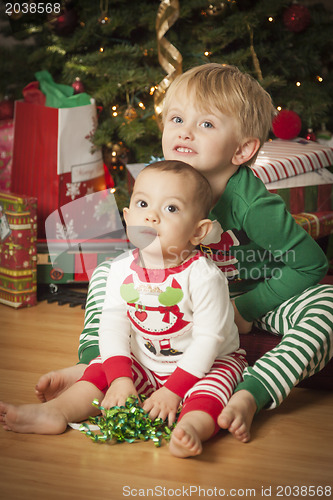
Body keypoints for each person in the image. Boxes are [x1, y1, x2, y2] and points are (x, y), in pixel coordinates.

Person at [36, 63, 333, 443]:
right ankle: (97, 365)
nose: (184, 131)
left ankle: (252, 392)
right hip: (184, 296)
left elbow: (310, 263)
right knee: (108, 273)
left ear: (242, 149)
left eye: (206, 124)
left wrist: (245, 310)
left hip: (250, 299)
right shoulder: (164, 180)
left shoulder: (252, 205)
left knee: (326, 304)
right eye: (176, 118)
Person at [0, 160, 247, 458]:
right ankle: (56, 412)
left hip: (207, 364)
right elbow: (114, 324)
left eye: (171, 209)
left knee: (213, 390)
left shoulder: (203, 275)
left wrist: (173, 390)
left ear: (198, 231)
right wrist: (120, 379)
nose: (151, 216)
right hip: (147, 359)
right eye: (143, 204)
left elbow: (210, 339)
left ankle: (191, 427)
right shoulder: (120, 269)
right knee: (102, 369)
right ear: (128, 218)